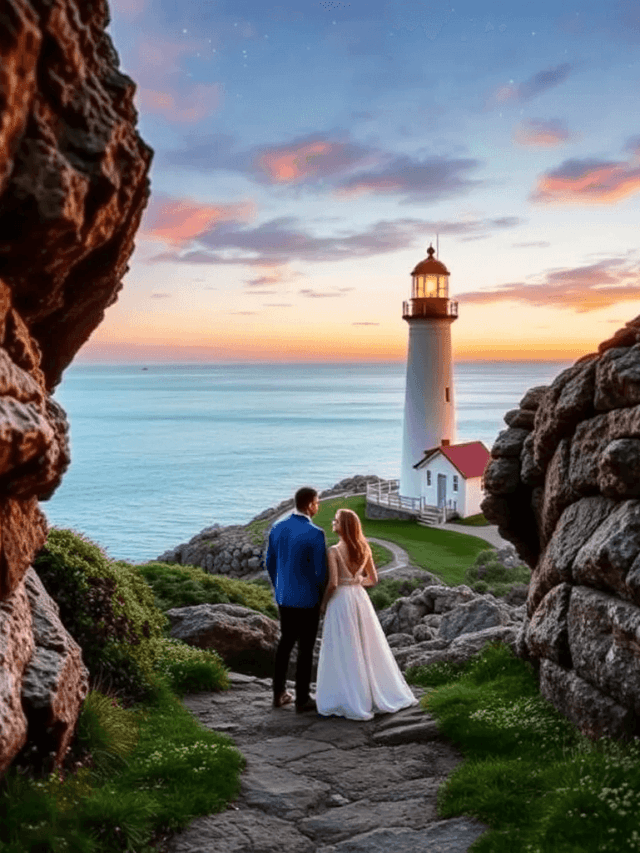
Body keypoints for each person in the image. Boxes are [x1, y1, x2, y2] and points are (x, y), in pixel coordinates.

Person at [316, 508, 418, 721]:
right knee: (367, 645)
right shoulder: (365, 548)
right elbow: (373, 579)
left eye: (335, 520)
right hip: (360, 598)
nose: (332, 523)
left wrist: (323, 604)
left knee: (344, 646)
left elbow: (333, 583)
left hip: (341, 600)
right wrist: (357, 581)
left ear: (343, 526)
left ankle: (349, 697)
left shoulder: (333, 551)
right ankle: (373, 693)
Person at [266, 486, 327, 713]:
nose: (318, 507)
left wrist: (279, 588)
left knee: (285, 643)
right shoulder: (315, 533)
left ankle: (278, 693)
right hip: (308, 599)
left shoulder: (277, 527)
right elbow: (320, 573)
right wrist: (322, 600)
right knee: (305, 648)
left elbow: (270, 563)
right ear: (310, 504)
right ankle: (302, 698)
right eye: (318, 503)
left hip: (284, 597)